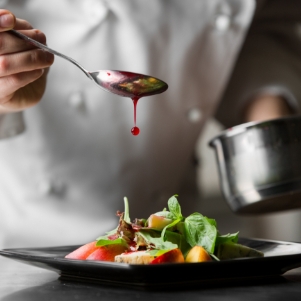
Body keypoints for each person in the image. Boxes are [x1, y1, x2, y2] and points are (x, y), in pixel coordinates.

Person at [0, 0, 300, 248]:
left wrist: (268, 116)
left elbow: (259, 26)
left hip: (170, 230)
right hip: (33, 237)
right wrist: (7, 82)